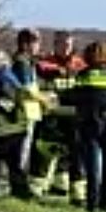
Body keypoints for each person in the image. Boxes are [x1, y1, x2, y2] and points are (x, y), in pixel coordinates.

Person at [68, 41, 106, 212]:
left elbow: (74, 98)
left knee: (93, 166)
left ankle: (92, 204)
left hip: (90, 123)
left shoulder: (85, 75)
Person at [32, 31, 85, 200]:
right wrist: (59, 71)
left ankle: (68, 188)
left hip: (74, 117)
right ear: (55, 44)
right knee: (44, 150)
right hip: (51, 115)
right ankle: (38, 187)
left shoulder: (80, 65)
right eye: (62, 44)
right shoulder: (44, 64)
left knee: (74, 153)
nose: (66, 47)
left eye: (69, 44)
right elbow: (39, 82)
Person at [0, 50, 35, 201]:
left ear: (0, 61)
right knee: (1, 165)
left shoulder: (5, 78)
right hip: (1, 130)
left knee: (9, 165)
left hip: (10, 130)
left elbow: (8, 103)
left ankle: (20, 194)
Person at [11, 29, 45, 174]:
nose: (38, 47)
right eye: (36, 43)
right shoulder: (22, 63)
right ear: (26, 44)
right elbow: (27, 88)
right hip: (25, 109)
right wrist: (46, 99)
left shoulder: (28, 61)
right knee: (23, 144)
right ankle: (20, 174)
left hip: (31, 109)